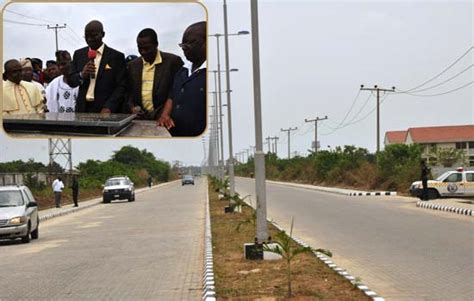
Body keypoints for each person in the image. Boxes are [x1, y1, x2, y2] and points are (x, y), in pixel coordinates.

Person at [157, 21, 207, 136]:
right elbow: (171, 96)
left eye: (190, 43)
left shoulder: (211, 74)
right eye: (183, 45)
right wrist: (165, 115)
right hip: (175, 133)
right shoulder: (182, 71)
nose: (184, 48)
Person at [68, 20, 126, 113]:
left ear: (103, 34)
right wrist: (82, 75)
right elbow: (71, 81)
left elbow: (121, 86)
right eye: (86, 36)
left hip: (105, 110)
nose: (90, 39)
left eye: (94, 36)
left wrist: (109, 106)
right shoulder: (79, 54)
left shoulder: (116, 57)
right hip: (82, 109)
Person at [126, 28, 183, 120]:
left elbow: (177, 90)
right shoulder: (132, 66)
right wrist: (132, 107)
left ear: (156, 44)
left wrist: (165, 112)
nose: (143, 52)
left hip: (165, 119)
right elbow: (128, 92)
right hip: (140, 119)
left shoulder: (173, 62)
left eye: (147, 48)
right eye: (140, 49)